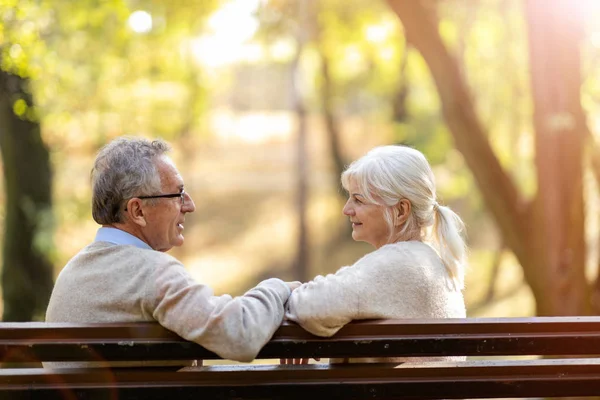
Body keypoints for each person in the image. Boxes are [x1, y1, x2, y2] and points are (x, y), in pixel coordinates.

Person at [46, 137, 297, 366]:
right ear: (138, 211)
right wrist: (278, 288)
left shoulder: (72, 273)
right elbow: (240, 335)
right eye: (178, 194)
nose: (190, 205)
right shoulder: (151, 272)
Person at [285, 145, 467, 364]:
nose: (346, 209)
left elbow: (308, 307)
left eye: (358, 200)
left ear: (400, 211)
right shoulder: (427, 260)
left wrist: (287, 290)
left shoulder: (399, 263)